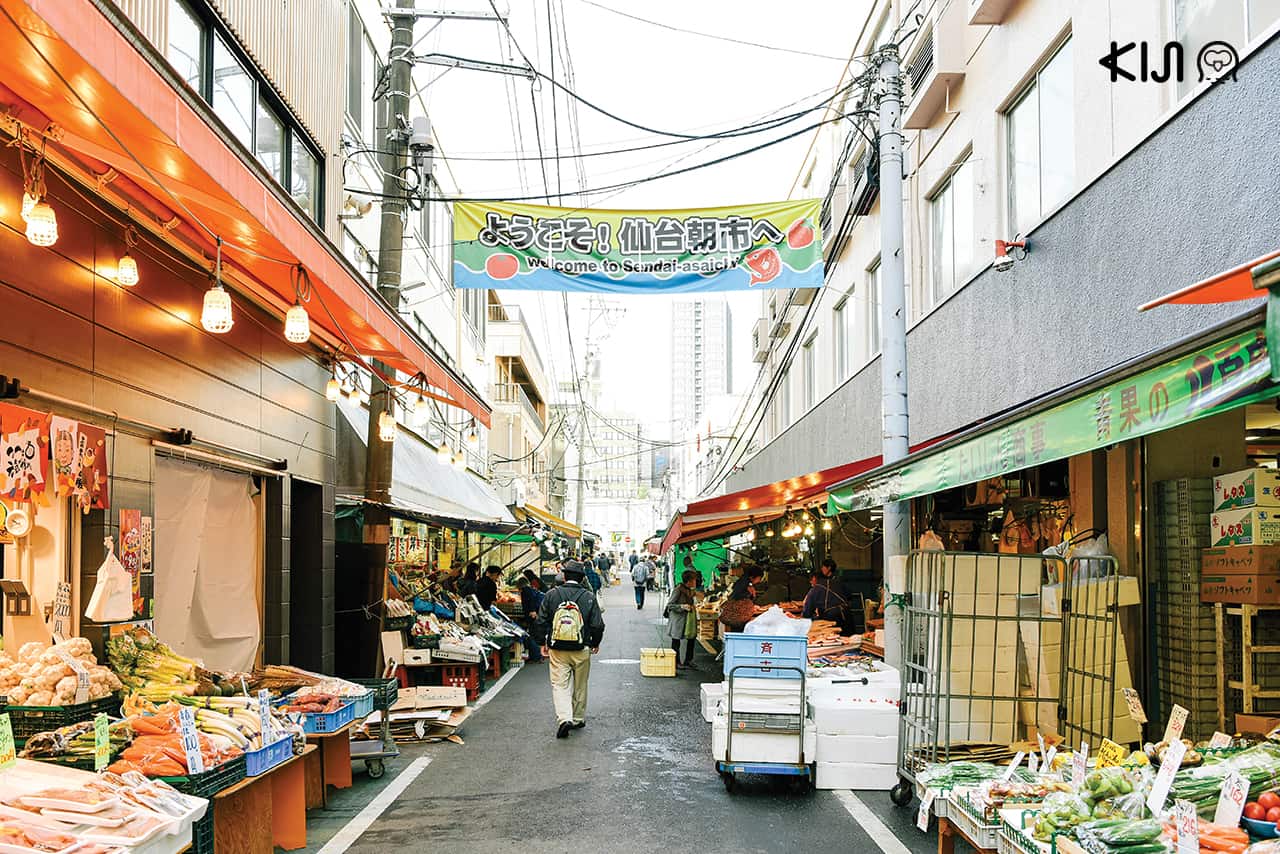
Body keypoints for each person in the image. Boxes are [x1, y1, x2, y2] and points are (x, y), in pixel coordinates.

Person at [537, 561, 606, 739]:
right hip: (581, 647)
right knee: (580, 684)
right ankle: (577, 717)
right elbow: (597, 624)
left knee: (560, 684)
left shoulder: (552, 595)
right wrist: (595, 642)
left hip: (557, 648)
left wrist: (541, 643)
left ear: (564, 576)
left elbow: (541, 620)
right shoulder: (589, 596)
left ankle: (564, 718)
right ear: (582, 578)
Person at [803, 557, 855, 629]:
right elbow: (849, 596)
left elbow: (807, 612)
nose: (811, 582)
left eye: (823, 567)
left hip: (832, 619)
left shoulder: (817, 588)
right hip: (846, 616)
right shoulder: (838, 581)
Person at [665, 569, 699, 669]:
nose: (695, 582)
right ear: (689, 581)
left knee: (691, 639)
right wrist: (682, 606)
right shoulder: (678, 589)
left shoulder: (690, 590)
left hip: (687, 620)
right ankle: (676, 662)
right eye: (694, 580)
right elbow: (670, 605)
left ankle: (689, 660)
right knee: (676, 641)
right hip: (678, 620)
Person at [718, 565, 765, 632]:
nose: (759, 581)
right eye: (759, 578)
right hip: (735, 617)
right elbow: (738, 598)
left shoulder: (744, 581)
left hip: (732, 615)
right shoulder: (744, 583)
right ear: (753, 577)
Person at [516, 576, 545, 663]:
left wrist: (532, 611)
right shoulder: (530, 589)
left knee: (530, 636)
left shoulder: (526, 590)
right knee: (532, 635)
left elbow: (531, 600)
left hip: (532, 614)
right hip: (535, 613)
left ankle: (536, 656)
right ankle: (536, 655)